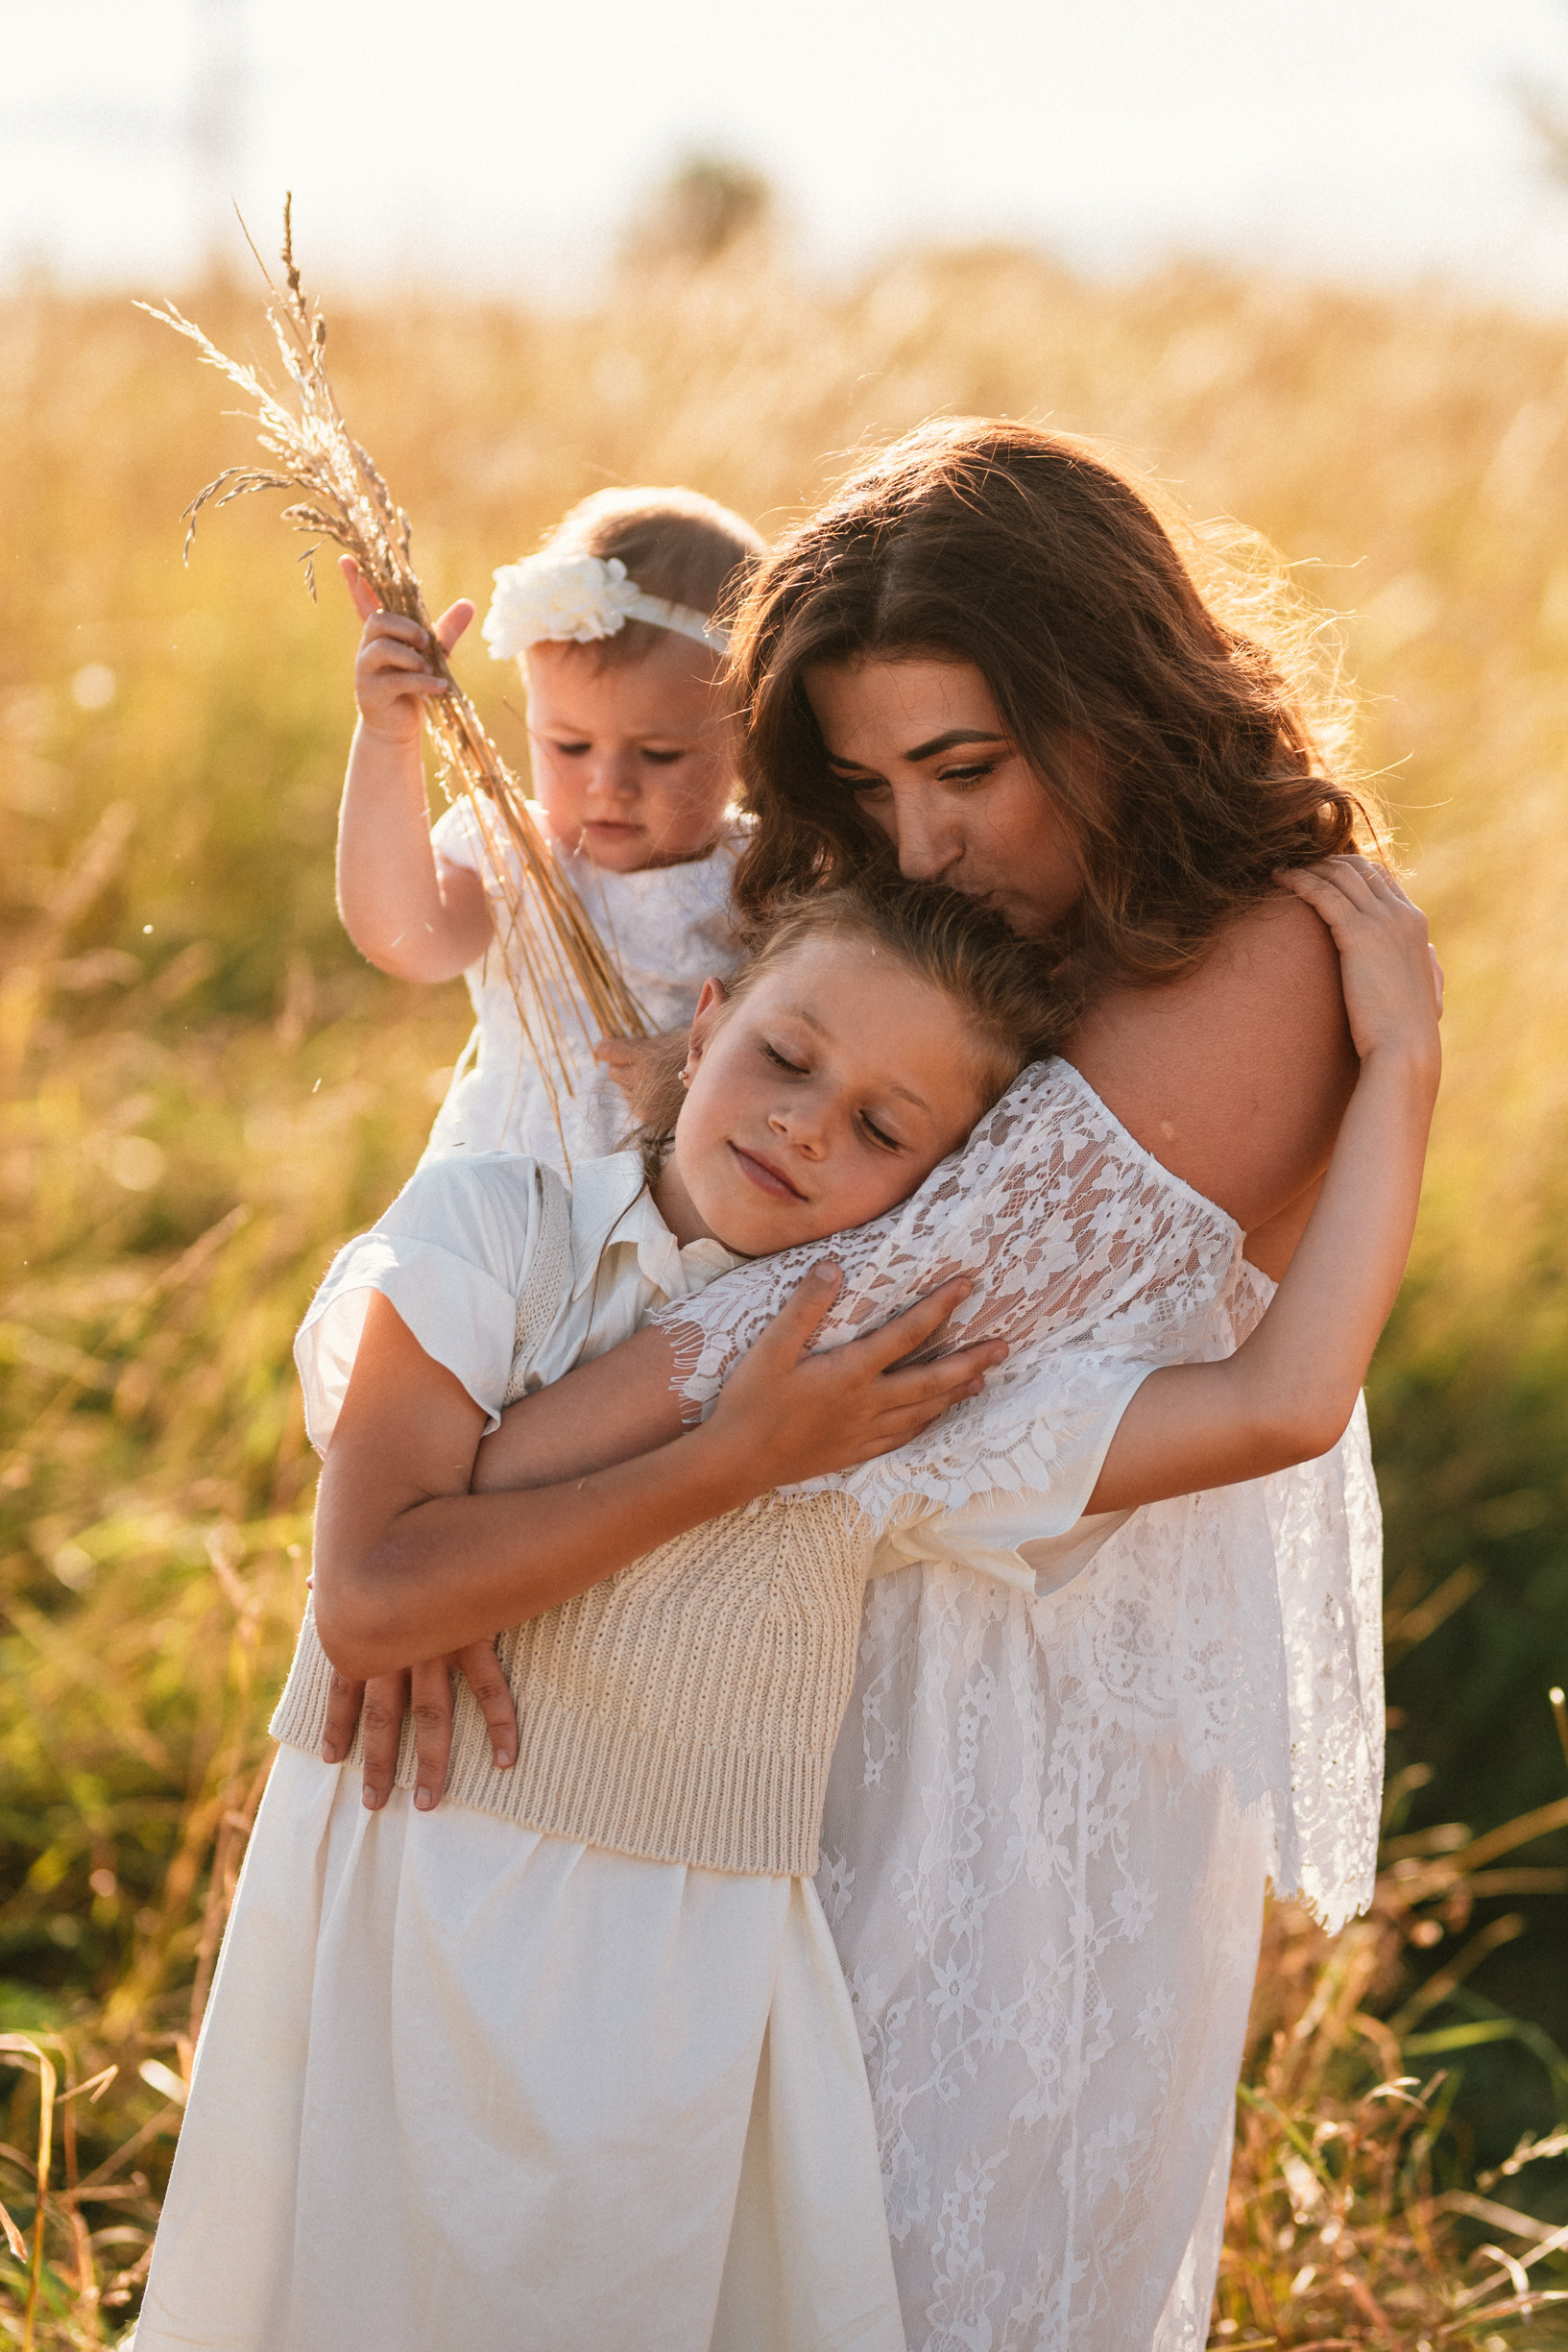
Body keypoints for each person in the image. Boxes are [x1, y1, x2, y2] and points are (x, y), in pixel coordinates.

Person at [353, 422, 1418, 2349]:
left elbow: (827, 1327)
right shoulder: (962, 932)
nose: (921, 844)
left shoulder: (1265, 952)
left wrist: (451, 1498)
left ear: (1110, 695)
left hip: (1012, 1747)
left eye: (964, 769)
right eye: (866, 784)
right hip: (792, 1680)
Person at [134, 851, 1436, 2352]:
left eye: (882, 1128)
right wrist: (730, 1459)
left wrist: (1399, 1070)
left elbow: (1282, 1403)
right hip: (400, 1918)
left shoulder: (879, 1404)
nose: (805, 1124)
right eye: (784, 1055)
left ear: (938, 1192)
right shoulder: (494, 1228)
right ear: (704, 1028)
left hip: (671, 2010)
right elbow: (371, 1598)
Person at [336, 483, 764, 1169]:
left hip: (677, 1199)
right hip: (512, 1182)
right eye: (569, 745)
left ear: (745, 740)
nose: (608, 783)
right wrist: (389, 740)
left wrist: (704, 1056)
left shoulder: (761, 876)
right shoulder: (513, 858)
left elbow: (810, 1026)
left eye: (659, 753)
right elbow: (405, 941)